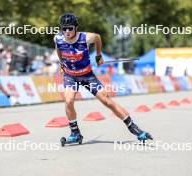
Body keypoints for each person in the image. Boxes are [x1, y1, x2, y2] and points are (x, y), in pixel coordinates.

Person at [54, 13, 153, 143]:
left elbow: (98, 37)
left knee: (106, 101)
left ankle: (133, 128)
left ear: (76, 28)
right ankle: (75, 133)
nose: (67, 31)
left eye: (70, 28)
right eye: (64, 28)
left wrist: (98, 55)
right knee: (68, 100)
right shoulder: (58, 38)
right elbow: (58, 50)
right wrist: (61, 64)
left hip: (87, 76)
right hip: (70, 76)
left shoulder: (85, 37)